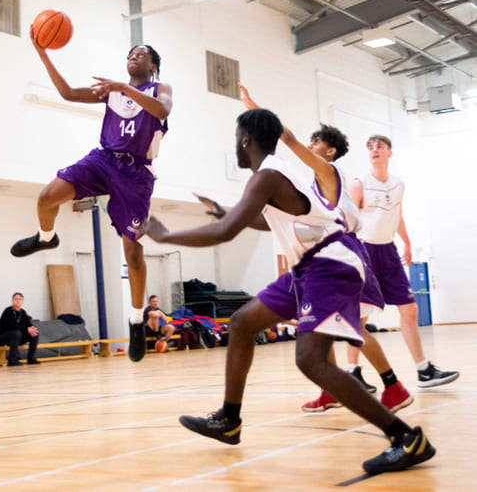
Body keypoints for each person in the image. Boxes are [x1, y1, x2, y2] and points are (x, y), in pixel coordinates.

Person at [142, 108, 435, 475]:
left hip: (331, 265)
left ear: (246, 139)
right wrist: (228, 213)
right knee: (243, 322)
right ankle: (228, 420)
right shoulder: (279, 175)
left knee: (310, 360)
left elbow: (224, 234)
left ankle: (406, 438)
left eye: (237, 137)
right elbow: (282, 220)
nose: (236, 143)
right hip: (309, 266)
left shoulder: (268, 175)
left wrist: (165, 236)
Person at [239, 85, 413, 413]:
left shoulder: (329, 171)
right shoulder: (313, 186)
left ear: (330, 151)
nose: (309, 145)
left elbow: (286, 138)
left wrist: (256, 110)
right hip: (327, 257)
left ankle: (394, 387)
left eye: (315, 142)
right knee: (322, 326)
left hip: (346, 254)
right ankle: (331, 391)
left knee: (355, 328)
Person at [10, 30, 172, 363]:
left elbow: (162, 111)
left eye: (141, 54)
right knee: (46, 196)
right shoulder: (112, 92)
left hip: (136, 172)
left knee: (133, 251)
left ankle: (138, 319)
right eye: (130, 53)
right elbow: (68, 92)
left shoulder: (158, 89)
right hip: (103, 159)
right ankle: (46, 237)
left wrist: (123, 88)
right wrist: (43, 53)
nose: (133, 56)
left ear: (153, 64)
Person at [348, 135, 459, 388]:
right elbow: (349, 222)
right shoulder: (360, 183)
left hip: (388, 251)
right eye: (371, 147)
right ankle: (353, 372)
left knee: (409, 309)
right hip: (364, 251)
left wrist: (407, 242)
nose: (375, 150)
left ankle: (424, 370)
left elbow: (397, 216)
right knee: (361, 316)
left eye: (380, 147)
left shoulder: (398, 184)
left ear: (389, 153)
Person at [0, 292, 40, 366]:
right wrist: (26, 329)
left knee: (35, 334)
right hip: (4, 337)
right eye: (16, 299)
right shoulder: (8, 311)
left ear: (22, 301)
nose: (18, 301)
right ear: (12, 300)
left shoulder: (23, 312)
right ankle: (12, 360)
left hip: (17, 337)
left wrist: (32, 328)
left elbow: (28, 323)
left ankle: (31, 358)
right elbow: (11, 326)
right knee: (16, 333)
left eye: (20, 299)